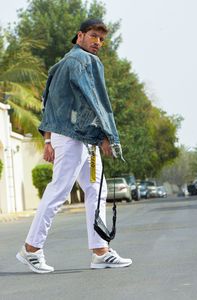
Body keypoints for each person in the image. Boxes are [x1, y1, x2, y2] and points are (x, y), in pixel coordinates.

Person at [16, 19, 132, 273]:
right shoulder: (83, 62)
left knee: (95, 190)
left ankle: (100, 251)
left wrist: (48, 139)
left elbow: (49, 104)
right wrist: (107, 135)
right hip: (74, 137)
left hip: (78, 137)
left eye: (101, 39)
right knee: (59, 190)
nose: (97, 43)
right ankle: (31, 249)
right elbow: (93, 100)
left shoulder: (61, 65)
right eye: (93, 36)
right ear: (79, 35)